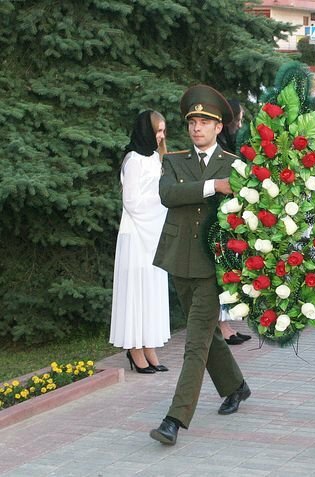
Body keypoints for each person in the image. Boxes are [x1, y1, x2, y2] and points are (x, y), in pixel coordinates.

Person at [149, 85, 250, 445]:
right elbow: (168, 195)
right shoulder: (174, 161)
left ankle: (174, 420)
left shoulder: (235, 165)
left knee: (195, 342)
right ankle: (236, 386)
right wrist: (212, 186)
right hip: (179, 259)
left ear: (219, 127)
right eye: (193, 121)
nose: (197, 127)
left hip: (212, 265)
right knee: (205, 334)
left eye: (205, 121)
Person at [110, 110, 171, 374]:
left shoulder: (156, 159)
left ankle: (149, 346)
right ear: (146, 131)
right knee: (136, 290)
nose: (161, 136)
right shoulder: (133, 160)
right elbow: (132, 202)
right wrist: (162, 202)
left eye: (163, 131)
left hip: (155, 231)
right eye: (157, 130)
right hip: (136, 235)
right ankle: (134, 349)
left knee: (151, 290)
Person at [216, 99, 252, 345]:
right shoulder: (219, 147)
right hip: (220, 216)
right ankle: (221, 325)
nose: (239, 124)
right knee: (222, 270)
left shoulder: (231, 142)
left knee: (231, 269)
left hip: (232, 215)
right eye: (237, 120)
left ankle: (226, 322)